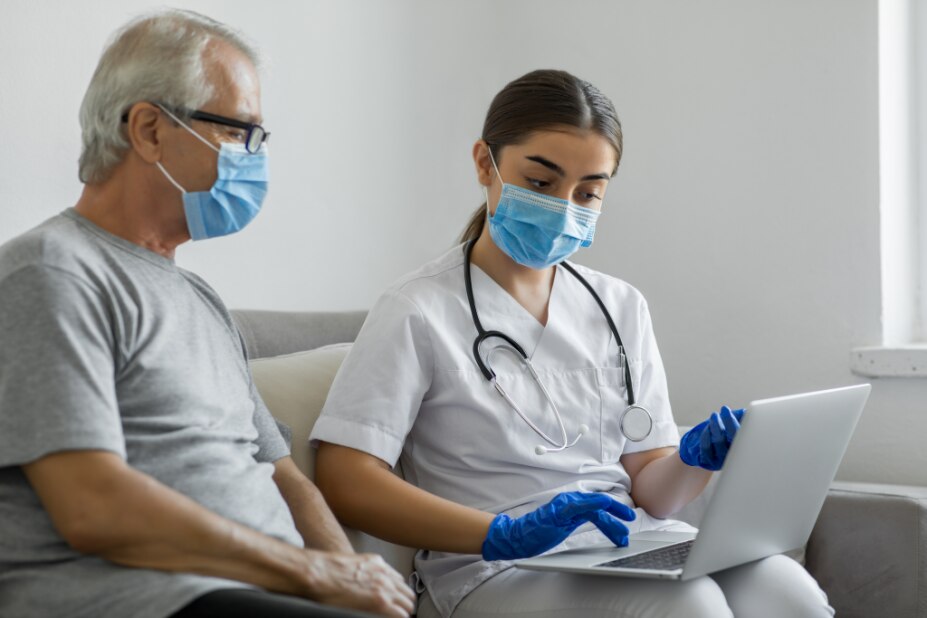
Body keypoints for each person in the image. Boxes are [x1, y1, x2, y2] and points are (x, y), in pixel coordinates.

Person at [310, 69, 834, 618]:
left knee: (785, 588)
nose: (564, 207)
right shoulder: (417, 307)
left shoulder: (619, 305)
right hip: (494, 567)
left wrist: (694, 458)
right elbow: (347, 478)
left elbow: (654, 491)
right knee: (692, 605)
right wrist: (504, 533)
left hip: (624, 542)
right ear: (485, 163)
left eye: (588, 192)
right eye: (541, 183)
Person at [0, 10, 414, 618]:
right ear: (148, 130)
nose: (254, 158)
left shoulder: (199, 300)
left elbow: (284, 477)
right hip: (143, 598)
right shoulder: (50, 273)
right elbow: (92, 507)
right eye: (238, 132)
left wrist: (355, 580)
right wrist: (310, 572)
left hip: (261, 594)